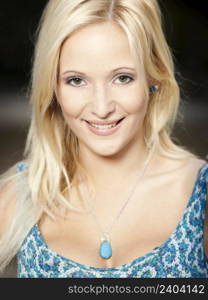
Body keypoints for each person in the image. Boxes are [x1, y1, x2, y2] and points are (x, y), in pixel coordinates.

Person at [0, 0, 207, 278]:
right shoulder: (18, 195)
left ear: (153, 76)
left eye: (122, 78)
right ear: (53, 88)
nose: (101, 107)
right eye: (76, 80)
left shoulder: (200, 193)